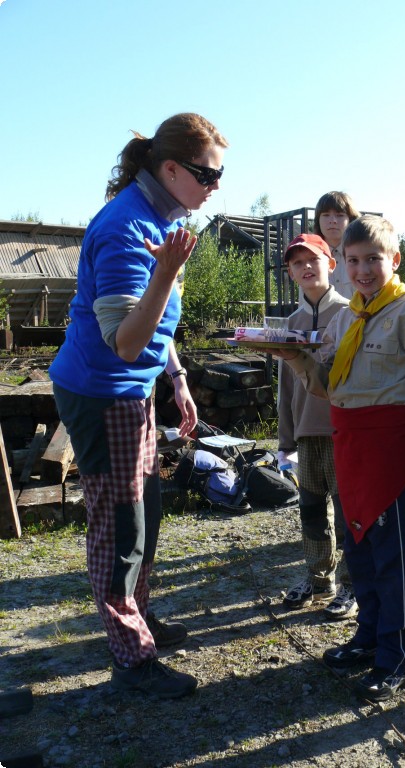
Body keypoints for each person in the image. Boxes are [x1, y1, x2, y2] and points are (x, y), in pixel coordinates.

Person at [49, 112, 228, 699]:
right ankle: (130, 660)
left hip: (133, 391)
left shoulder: (159, 216)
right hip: (104, 392)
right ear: (170, 168)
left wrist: (175, 376)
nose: (214, 188)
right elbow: (125, 343)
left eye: (219, 177)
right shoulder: (127, 229)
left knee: (144, 516)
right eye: (207, 175)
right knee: (118, 526)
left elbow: (155, 327)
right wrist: (168, 271)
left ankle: (139, 624)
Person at [276, 215, 405, 701]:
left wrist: (403, 418)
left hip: (387, 446)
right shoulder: (346, 317)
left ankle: (396, 652)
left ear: (394, 260)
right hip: (349, 442)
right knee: (356, 542)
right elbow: (328, 385)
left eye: (373, 260)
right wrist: (294, 357)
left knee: (392, 554)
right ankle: (367, 636)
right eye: (354, 261)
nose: (362, 270)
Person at [277, 233, 356, 620]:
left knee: (346, 513)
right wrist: (285, 439)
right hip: (307, 433)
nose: (306, 267)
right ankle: (318, 576)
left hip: (343, 431)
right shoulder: (289, 323)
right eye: (297, 263)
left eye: (314, 260)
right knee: (311, 511)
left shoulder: (350, 313)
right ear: (290, 272)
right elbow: (286, 385)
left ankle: (352, 582)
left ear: (332, 264)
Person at [313, 191, 360, 299]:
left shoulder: (362, 256)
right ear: (318, 220)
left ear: (351, 220)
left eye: (339, 215)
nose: (333, 221)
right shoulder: (309, 259)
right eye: (326, 215)